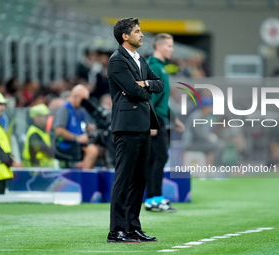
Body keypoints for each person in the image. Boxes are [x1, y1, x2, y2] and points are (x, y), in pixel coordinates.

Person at [107, 18, 163, 243]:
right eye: (137, 31)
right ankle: (116, 231)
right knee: (124, 179)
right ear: (125, 36)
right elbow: (132, 89)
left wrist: (144, 85)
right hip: (127, 126)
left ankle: (132, 227)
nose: (142, 35)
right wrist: (142, 87)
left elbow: (158, 84)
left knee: (139, 179)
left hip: (142, 124)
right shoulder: (117, 60)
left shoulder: (139, 59)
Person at [145, 33, 185, 212]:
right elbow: (150, 100)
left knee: (156, 158)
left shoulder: (161, 68)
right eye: (169, 46)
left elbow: (162, 102)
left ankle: (154, 199)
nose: (172, 49)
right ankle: (154, 200)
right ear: (159, 47)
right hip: (156, 120)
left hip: (160, 118)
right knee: (159, 158)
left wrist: (175, 120)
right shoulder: (153, 67)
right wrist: (152, 122)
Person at [52, 85, 99, 169]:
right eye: (84, 100)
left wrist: (89, 128)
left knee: (99, 147)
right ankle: (85, 178)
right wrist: (77, 138)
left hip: (78, 145)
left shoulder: (80, 110)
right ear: (75, 96)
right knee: (92, 150)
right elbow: (58, 130)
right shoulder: (64, 109)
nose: (85, 103)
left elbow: (81, 125)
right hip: (67, 145)